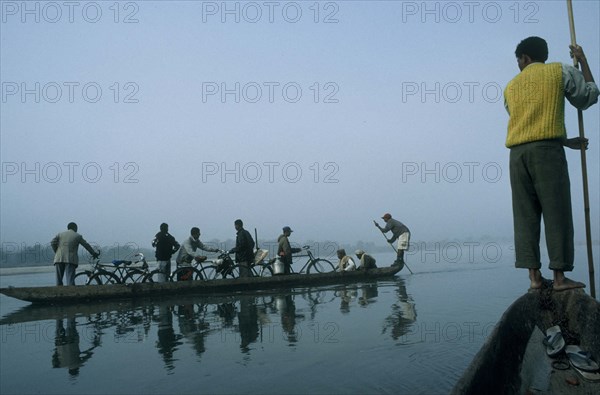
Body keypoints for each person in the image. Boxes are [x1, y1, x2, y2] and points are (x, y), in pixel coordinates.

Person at [504, 37, 598, 291]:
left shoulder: (510, 87)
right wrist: (584, 62)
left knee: (525, 216)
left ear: (525, 58)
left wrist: (565, 141)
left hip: (516, 155)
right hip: (546, 154)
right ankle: (559, 278)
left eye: (518, 60)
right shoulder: (559, 71)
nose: (518, 66)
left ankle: (534, 279)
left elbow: (527, 123)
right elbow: (587, 97)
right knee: (557, 212)